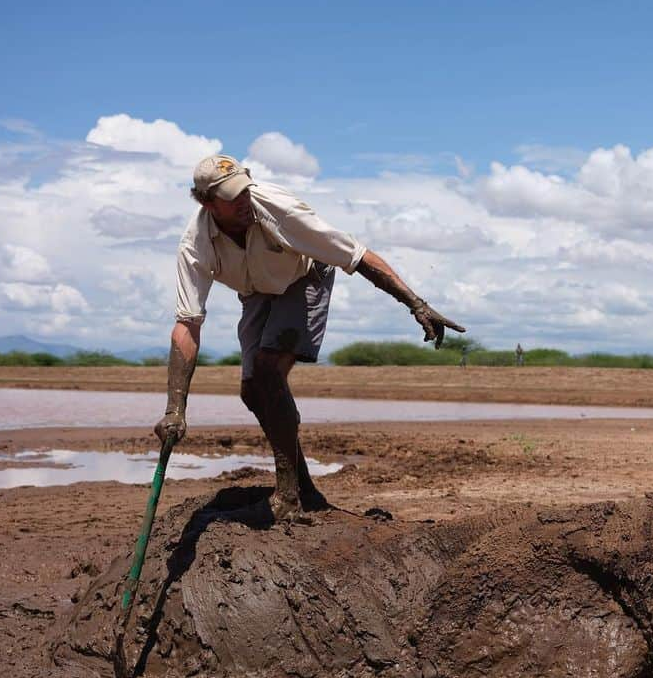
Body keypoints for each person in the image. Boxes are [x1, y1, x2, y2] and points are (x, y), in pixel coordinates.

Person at [155, 154, 465, 521]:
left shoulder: (280, 210)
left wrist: (417, 304)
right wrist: (175, 409)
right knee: (252, 390)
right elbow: (187, 324)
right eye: (230, 198)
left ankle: (287, 497)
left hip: (305, 275)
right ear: (207, 202)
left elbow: (357, 255)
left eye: (243, 190)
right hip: (258, 290)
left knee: (270, 372)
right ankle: (303, 489)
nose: (242, 201)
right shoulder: (195, 244)